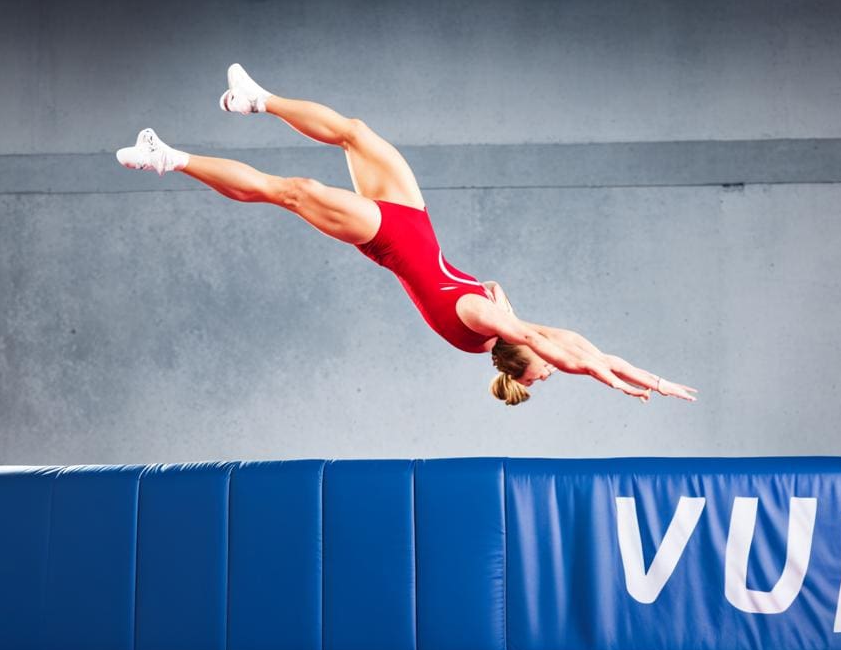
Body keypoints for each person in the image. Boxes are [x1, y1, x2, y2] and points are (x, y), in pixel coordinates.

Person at [117, 64, 697, 406]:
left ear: (517, 361)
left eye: (536, 373)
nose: (547, 372)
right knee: (355, 132)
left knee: (289, 189)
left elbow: (564, 355)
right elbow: (581, 346)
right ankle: (257, 100)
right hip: (411, 215)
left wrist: (604, 380)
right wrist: (648, 376)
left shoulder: (487, 327)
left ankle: (168, 157)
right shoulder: (511, 325)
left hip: (387, 236)